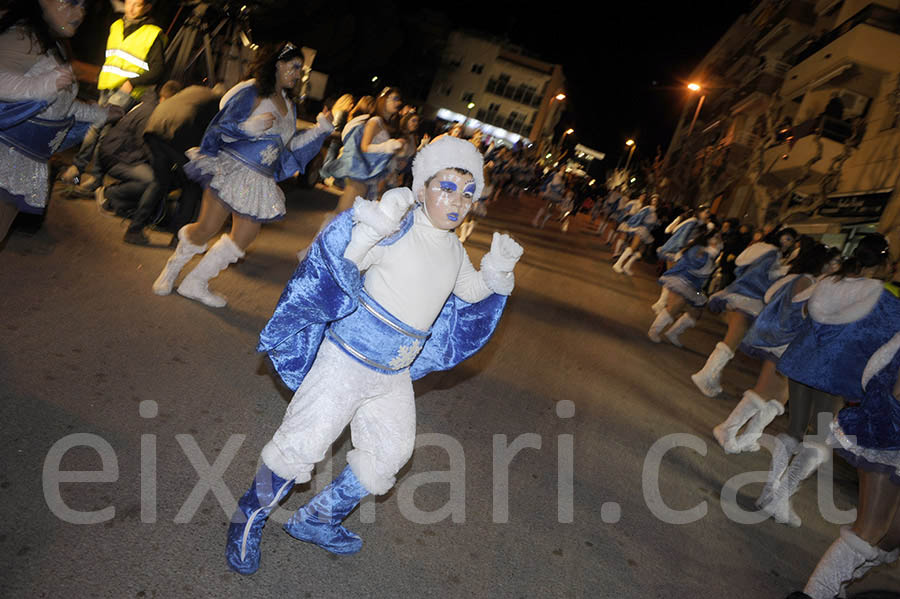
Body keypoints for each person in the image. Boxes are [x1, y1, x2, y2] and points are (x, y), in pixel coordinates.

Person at [224, 136, 523, 575]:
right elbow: (344, 263)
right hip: (344, 362)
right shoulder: (398, 230)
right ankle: (246, 520)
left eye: (467, 191)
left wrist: (497, 270)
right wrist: (368, 232)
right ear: (421, 189)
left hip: (393, 376)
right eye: (446, 187)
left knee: (391, 454)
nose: (457, 200)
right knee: (299, 446)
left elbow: (472, 291)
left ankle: (316, 518)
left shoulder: (456, 251)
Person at [150, 42, 334, 307]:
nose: (298, 74)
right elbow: (221, 125)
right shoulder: (252, 91)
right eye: (294, 67)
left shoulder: (290, 107)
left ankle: (195, 282)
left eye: (300, 69)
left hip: (259, 180)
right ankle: (171, 269)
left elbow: (288, 148)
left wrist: (319, 130)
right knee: (206, 228)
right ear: (277, 65)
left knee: (243, 239)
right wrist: (246, 128)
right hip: (232, 169)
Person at [761, 234, 896, 529]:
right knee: (819, 437)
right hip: (834, 373)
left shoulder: (828, 282)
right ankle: (781, 497)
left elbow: (806, 311)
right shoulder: (883, 300)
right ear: (883, 262)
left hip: (803, 361)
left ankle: (769, 490)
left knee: (795, 428)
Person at [789, 334, 900, 597]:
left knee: (892, 537)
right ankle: (817, 593)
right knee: (872, 528)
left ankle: (835, 586)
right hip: (889, 435)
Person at [0, 0, 120, 243]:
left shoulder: (51, 43)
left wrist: (101, 114)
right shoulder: (23, 36)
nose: (80, 11)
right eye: (71, 1)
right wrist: (44, 84)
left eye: (84, 4)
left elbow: (59, 104)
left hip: (24, 161)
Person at [712, 244, 836, 454]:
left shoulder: (806, 280)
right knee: (765, 392)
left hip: (791, 347)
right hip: (783, 345)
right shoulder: (806, 281)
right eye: (833, 261)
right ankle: (727, 428)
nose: (836, 266)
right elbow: (803, 312)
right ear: (821, 262)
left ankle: (750, 436)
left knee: (779, 398)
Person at [61, 0, 165, 192]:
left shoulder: (153, 34)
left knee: (99, 128)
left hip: (127, 91)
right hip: (107, 87)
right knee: (100, 131)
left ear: (148, 7)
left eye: (138, 4)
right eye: (129, 3)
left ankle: (83, 170)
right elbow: (110, 56)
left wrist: (132, 82)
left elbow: (158, 69)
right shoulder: (116, 26)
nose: (131, 8)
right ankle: (91, 176)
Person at [691, 227, 797, 397]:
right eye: (786, 239)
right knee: (733, 339)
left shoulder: (761, 249)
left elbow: (742, 269)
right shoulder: (771, 253)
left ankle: (711, 374)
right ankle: (706, 374)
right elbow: (759, 276)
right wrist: (783, 272)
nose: (786, 243)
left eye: (789, 240)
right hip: (749, 298)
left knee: (733, 339)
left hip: (742, 295)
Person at [126, 83, 224, 245]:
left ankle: (134, 229)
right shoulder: (218, 103)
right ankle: (179, 237)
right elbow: (212, 137)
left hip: (154, 126)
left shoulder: (195, 90)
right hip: (178, 132)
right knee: (191, 186)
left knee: (160, 182)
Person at [96, 79, 182, 222]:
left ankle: (120, 203)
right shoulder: (150, 113)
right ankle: (108, 194)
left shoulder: (153, 107)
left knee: (157, 178)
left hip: (125, 154)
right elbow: (145, 144)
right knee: (152, 181)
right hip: (116, 155)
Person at [646, 229, 722, 344]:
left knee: (698, 309)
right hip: (681, 280)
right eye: (716, 238)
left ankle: (673, 333)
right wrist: (708, 252)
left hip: (695, 288)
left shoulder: (712, 257)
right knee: (676, 305)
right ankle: (654, 330)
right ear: (709, 239)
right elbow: (694, 263)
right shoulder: (698, 249)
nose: (719, 242)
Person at [612, 194, 658, 276]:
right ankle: (618, 264)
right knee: (632, 247)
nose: (655, 202)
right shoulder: (647, 209)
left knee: (640, 252)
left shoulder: (653, 211)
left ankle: (627, 266)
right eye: (653, 200)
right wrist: (632, 225)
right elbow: (637, 217)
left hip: (646, 232)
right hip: (641, 230)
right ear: (650, 201)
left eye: (656, 200)